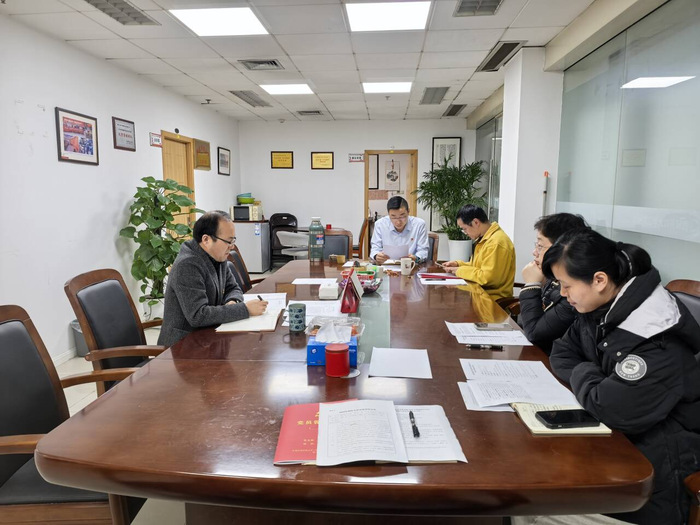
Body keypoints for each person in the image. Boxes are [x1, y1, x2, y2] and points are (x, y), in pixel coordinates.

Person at [532, 229, 700, 525]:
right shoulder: (601, 308)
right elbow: (562, 351)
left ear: (599, 280)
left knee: (531, 509)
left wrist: (586, 373)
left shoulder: (656, 333)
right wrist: (597, 382)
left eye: (567, 285)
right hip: (612, 450)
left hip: (648, 485)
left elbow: (612, 409)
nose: (562, 294)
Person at [158, 211, 267, 347]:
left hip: (208, 336)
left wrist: (232, 301)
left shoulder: (217, 256)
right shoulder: (187, 265)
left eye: (233, 240)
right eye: (228, 241)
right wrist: (244, 309)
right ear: (206, 240)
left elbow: (233, 287)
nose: (232, 246)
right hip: (182, 346)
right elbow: (198, 315)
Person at [518, 213, 589, 354]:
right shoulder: (553, 278)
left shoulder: (576, 292)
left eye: (540, 246)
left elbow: (535, 334)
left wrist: (532, 285)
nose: (534, 252)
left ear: (563, 248)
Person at [442, 204, 515, 300]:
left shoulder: (496, 243)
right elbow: (477, 266)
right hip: (479, 295)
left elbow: (486, 278)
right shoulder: (484, 239)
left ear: (476, 222)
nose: (466, 233)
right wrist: (458, 264)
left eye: (465, 229)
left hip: (492, 301)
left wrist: (459, 271)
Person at [370, 196, 429, 264]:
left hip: (411, 266)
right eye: (393, 217)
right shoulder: (380, 224)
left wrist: (416, 258)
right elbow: (375, 249)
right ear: (388, 214)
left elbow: (423, 251)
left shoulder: (419, 224)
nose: (398, 222)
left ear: (408, 211)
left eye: (402, 216)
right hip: (387, 266)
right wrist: (376, 256)